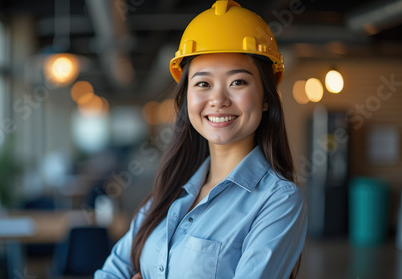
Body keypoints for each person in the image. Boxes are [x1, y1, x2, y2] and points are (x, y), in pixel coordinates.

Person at [94, 1, 307, 278]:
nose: (218, 100)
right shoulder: (169, 189)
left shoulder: (278, 201)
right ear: (186, 99)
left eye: (238, 82)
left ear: (266, 98)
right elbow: (110, 272)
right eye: (203, 84)